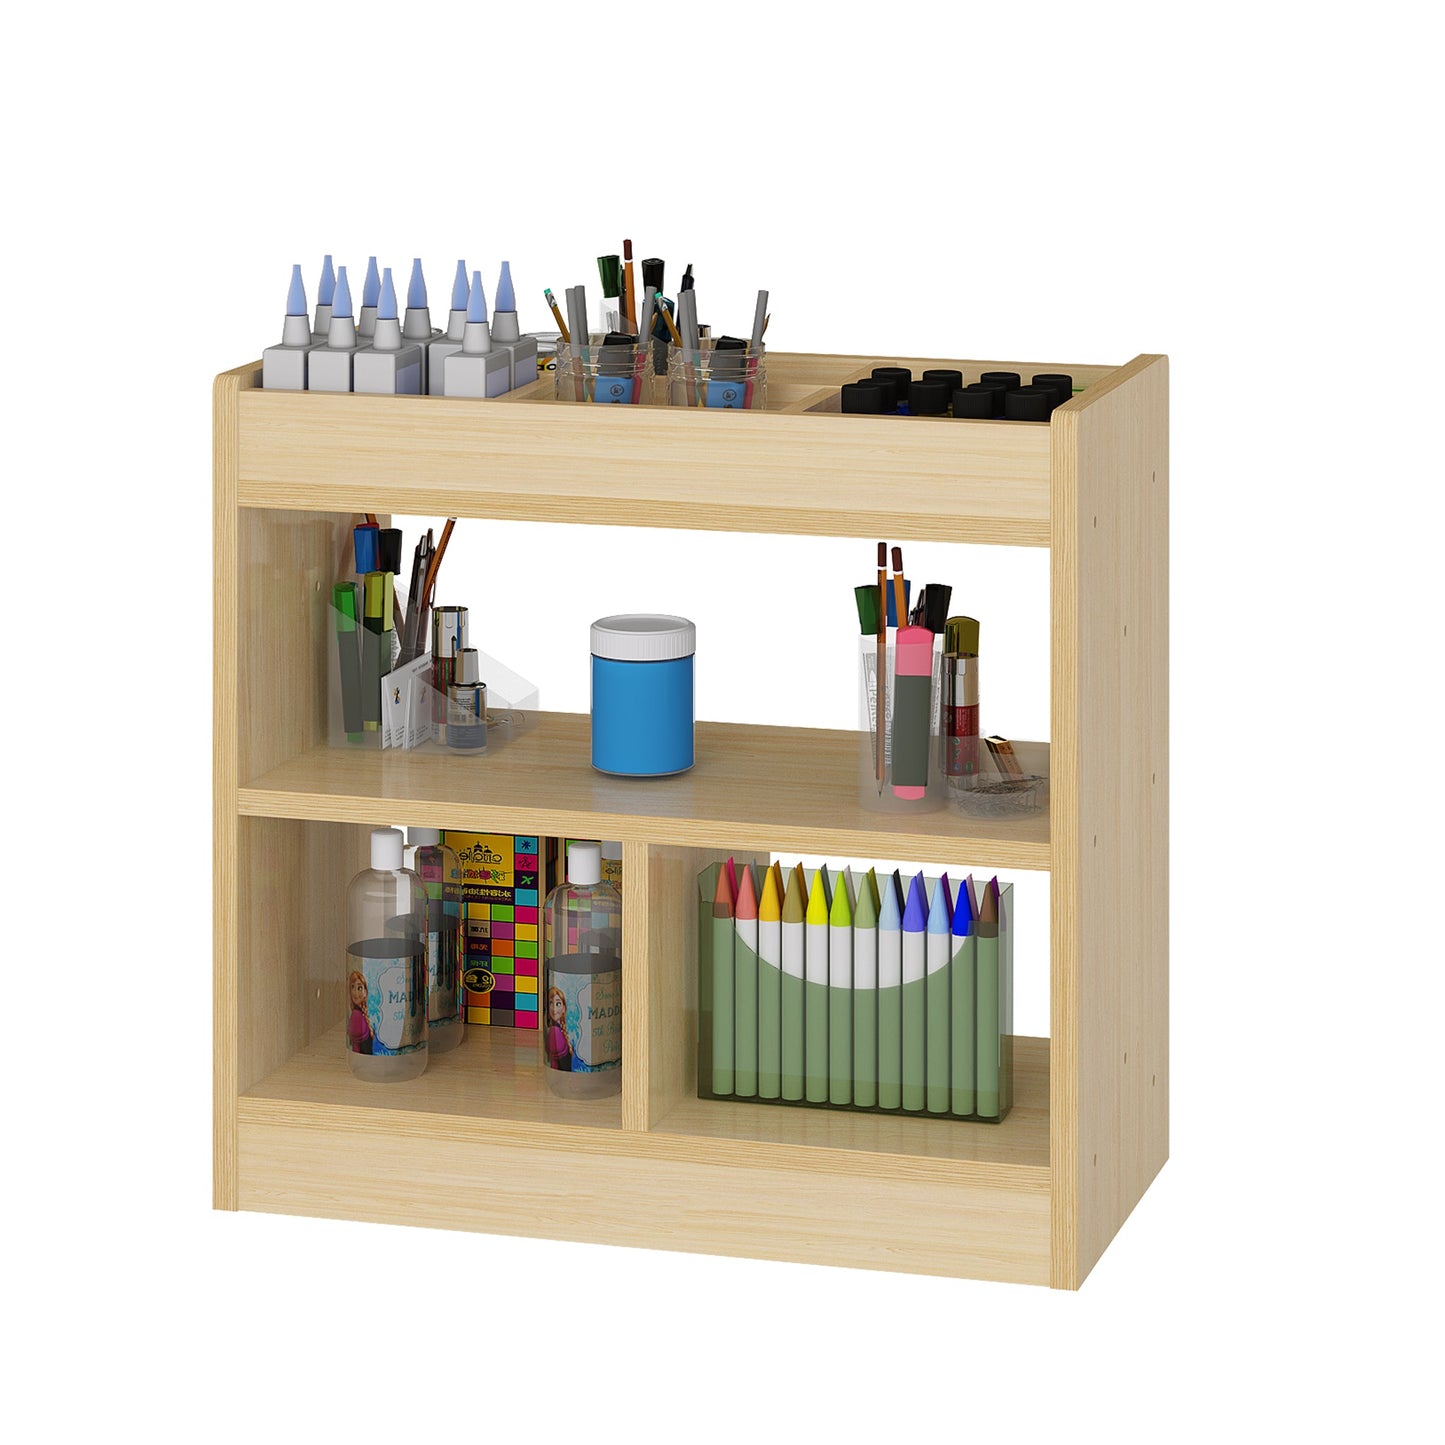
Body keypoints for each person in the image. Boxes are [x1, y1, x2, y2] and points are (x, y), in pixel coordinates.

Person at [543, 985, 572, 1071]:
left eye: (558, 1004)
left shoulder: (560, 1030)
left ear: (564, 1008)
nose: (554, 1008)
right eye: (550, 1003)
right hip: (561, 1079)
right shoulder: (555, 1031)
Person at [347, 970, 374, 1055]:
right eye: (353, 987)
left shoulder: (361, 1013)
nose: (355, 993)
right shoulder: (356, 1016)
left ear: (365, 991)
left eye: (359, 988)